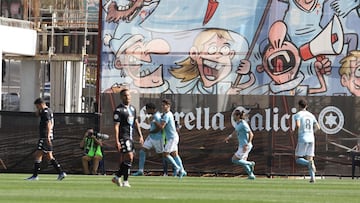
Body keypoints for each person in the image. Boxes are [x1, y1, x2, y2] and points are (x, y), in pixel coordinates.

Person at [25, 98, 67, 181]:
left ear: (40, 104)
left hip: (45, 136)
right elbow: (38, 114)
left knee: (38, 155)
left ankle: (35, 176)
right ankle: (61, 172)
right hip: (47, 136)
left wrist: (47, 136)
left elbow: (48, 123)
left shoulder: (45, 112)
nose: (37, 108)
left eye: (37, 106)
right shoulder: (48, 111)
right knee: (49, 156)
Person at [112, 89, 144, 187]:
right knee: (129, 157)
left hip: (130, 137)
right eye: (125, 96)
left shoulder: (133, 109)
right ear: (121, 97)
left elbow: (136, 123)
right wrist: (117, 140)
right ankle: (123, 180)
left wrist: (140, 136)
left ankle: (118, 177)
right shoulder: (119, 110)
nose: (128, 97)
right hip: (123, 137)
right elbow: (116, 126)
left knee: (129, 159)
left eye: (129, 95)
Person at [132, 102, 166, 176]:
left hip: (158, 138)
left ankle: (169, 170)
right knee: (142, 151)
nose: (146, 111)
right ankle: (140, 171)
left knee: (162, 155)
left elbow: (159, 128)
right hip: (151, 137)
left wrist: (151, 131)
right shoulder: (153, 116)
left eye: (147, 109)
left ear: (151, 109)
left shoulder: (157, 116)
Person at [294, 99, 320, 183]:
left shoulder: (298, 115)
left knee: (297, 158)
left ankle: (307, 164)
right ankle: (313, 178)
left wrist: (295, 132)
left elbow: (298, 125)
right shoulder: (311, 115)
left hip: (303, 138)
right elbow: (318, 127)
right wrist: (312, 132)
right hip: (311, 138)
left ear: (299, 106)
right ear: (306, 106)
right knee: (310, 158)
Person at [158, 99, 186, 178]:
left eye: (164, 105)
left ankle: (177, 167)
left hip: (172, 138)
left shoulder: (167, 115)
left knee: (165, 154)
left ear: (168, 106)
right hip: (174, 137)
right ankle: (183, 170)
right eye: (162, 105)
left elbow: (162, 127)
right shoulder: (168, 114)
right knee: (175, 154)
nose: (162, 107)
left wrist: (155, 122)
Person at [225, 110, 255, 179]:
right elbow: (236, 132)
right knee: (243, 161)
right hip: (242, 145)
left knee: (234, 160)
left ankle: (250, 163)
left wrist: (247, 144)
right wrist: (229, 137)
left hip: (244, 146)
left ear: (238, 116)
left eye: (234, 116)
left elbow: (251, 134)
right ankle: (251, 176)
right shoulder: (238, 124)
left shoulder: (243, 124)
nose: (233, 117)